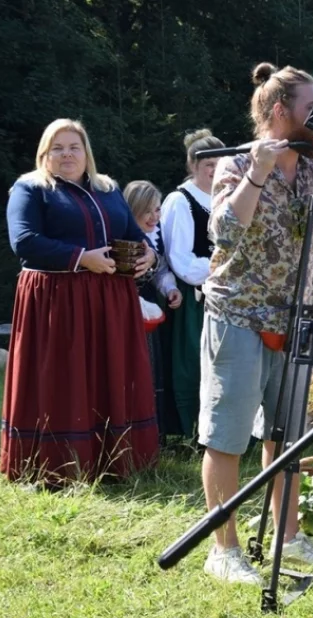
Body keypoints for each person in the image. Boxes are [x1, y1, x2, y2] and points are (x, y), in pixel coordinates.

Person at [198, 62, 313, 585]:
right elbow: (225, 231)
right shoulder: (236, 163)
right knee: (227, 435)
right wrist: (257, 170)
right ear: (281, 111)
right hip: (239, 313)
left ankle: (288, 535)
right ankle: (224, 549)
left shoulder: (310, 168)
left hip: (294, 318)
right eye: (311, 106)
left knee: (289, 437)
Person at [2, 118, 159, 485]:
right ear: (45, 153)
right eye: (57, 148)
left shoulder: (107, 188)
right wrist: (82, 257)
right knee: (61, 378)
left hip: (110, 299)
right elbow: (23, 242)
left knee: (109, 373)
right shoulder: (31, 188)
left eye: (74, 147)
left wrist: (148, 255)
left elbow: (135, 235)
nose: (67, 154)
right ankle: (54, 463)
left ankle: (114, 460)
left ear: (86, 152)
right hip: (58, 300)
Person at [159, 129, 225, 440]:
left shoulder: (229, 198)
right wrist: (221, 268)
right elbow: (179, 259)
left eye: (220, 162)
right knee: (194, 365)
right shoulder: (180, 200)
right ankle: (191, 431)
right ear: (193, 165)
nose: (215, 169)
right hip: (195, 298)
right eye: (208, 163)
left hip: (230, 294)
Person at [124, 180, 183, 440]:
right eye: (147, 210)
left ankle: (152, 436)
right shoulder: (118, 237)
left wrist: (170, 289)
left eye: (157, 210)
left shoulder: (155, 236)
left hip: (148, 310)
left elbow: (160, 271)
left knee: (152, 370)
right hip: (122, 312)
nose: (154, 217)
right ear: (134, 209)